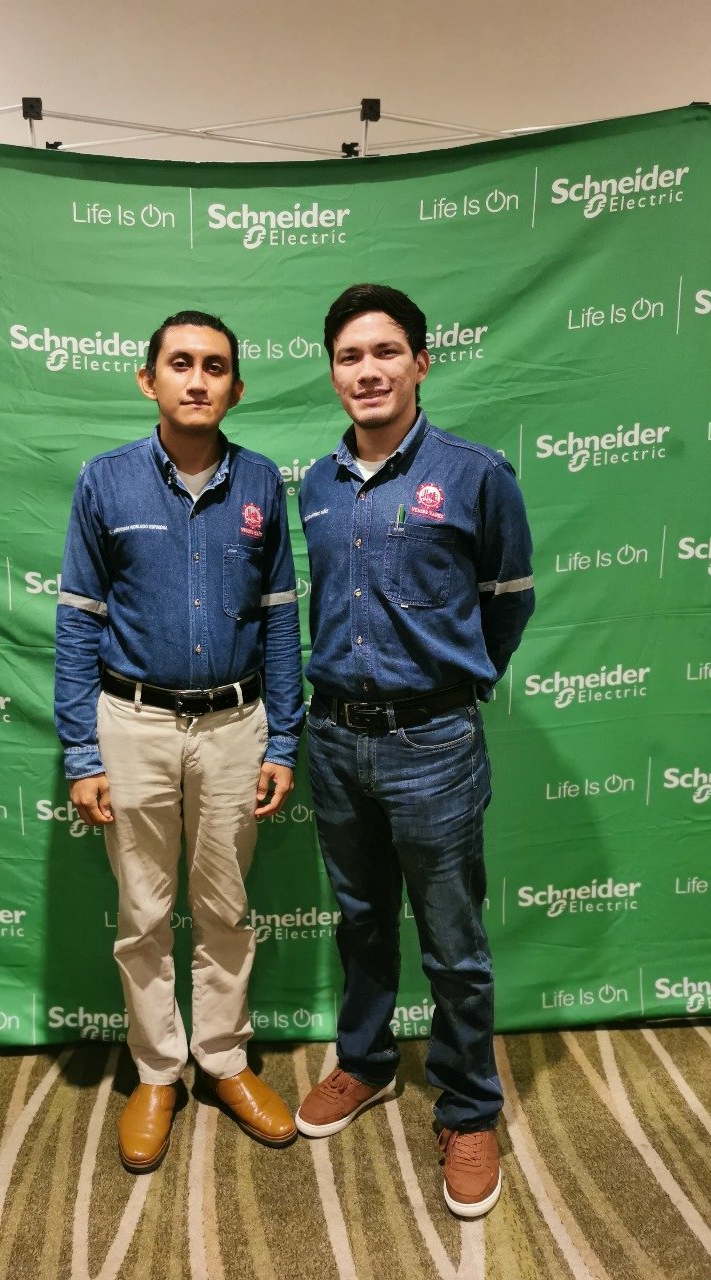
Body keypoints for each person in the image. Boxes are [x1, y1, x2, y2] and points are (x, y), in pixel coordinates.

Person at [295, 283, 535, 1218]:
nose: (368, 370)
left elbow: (507, 601)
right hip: (334, 738)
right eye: (350, 356)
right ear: (333, 372)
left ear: (421, 363)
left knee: (453, 943)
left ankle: (469, 1107)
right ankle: (364, 1063)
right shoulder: (313, 485)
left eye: (386, 351)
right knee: (359, 922)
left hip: (436, 743)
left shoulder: (476, 474)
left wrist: (455, 688)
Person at [54, 309, 304, 1173]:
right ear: (148, 379)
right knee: (143, 914)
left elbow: (280, 621)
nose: (198, 380)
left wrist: (285, 743)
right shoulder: (105, 481)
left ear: (237, 387)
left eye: (216, 367)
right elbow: (79, 622)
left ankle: (225, 1061)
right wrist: (83, 754)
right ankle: (158, 1071)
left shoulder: (264, 482)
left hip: (238, 727)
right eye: (181, 364)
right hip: (134, 726)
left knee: (228, 909)